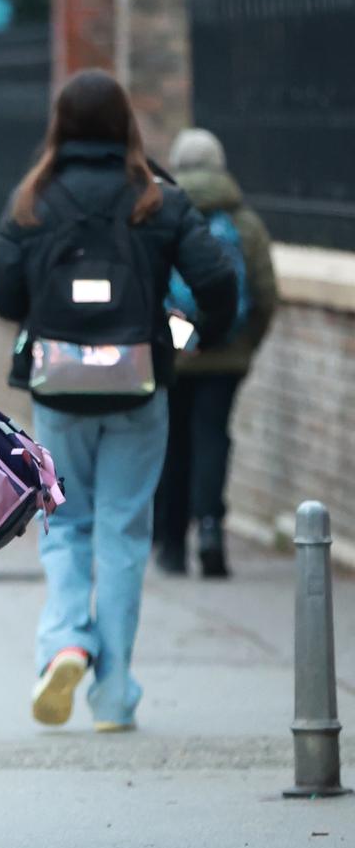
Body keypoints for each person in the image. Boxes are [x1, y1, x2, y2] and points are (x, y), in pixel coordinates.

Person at [0, 70, 237, 732]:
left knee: (65, 522)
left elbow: (5, 296)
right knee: (124, 528)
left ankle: (66, 642)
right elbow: (217, 280)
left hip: (60, 387)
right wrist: (192, 339)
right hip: (138, 382)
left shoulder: (34, 196)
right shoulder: (155, 195)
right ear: (126, 122)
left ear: (60, 125)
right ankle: (114, 690)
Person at [154, 128, 278, 578]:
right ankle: (210, 532)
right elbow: (265, 294)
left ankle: (170, 544)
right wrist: (242, 343)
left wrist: (176, 340)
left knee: (174, 442)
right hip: (226, 354)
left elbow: (149, 287)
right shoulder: (244, 221)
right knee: (213, 439)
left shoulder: (162, 214)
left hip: (174, 352)